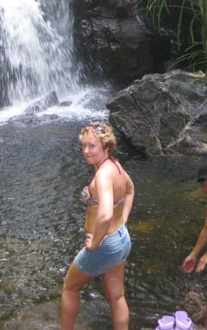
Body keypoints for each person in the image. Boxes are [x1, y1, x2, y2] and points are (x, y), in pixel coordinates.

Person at [61, 121, 135, 330]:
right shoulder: (116, 166)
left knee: (70, 287)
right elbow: (130, 191)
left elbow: (104, 216)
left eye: (91, 146)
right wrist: (123, 221)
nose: (86, 151)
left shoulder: (102, 175)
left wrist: (94, 242)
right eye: (83, 146)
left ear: (106, 147)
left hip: (106, 244)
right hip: (121, 238)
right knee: (117, 295)